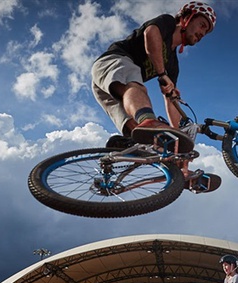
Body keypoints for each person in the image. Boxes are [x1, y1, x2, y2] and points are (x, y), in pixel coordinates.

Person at [91, 2, 220, 189]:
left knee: (143, 137)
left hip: (111, 90)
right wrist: (161, 74)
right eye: (202, 25)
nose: (202, 33)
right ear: (186, 18)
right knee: (136, 88)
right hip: (113, 63)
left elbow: (170, 100)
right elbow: (150, 34)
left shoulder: (173, 64)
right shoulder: (167, 23)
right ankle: (148, 121)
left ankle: (178, 174)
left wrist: (179, 139)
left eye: (206, 32)